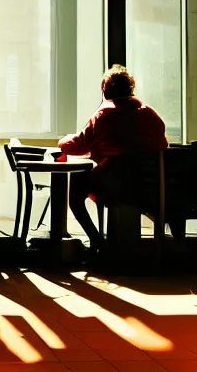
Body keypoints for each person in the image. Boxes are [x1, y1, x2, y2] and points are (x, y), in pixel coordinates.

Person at [58, 65, 168, 252]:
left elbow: (78, 145)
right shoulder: (149, 114)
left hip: (116, 184)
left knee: (77, 186)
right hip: (149, 187)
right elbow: (162, 145)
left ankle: (96, 241)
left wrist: (62, 141)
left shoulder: (104, 114)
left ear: (104, 89)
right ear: (131, 88)